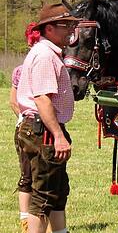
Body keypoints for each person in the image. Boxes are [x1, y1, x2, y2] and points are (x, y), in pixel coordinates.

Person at [15, 3, 80, 233]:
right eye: (66, 25)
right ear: (49, 28)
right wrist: (58, 135)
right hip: (44, 131)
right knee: (43, 197)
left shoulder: (47, 53)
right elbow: (42, 99)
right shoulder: (45, 56)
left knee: (57, 191)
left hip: (40, 129)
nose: (71, 31)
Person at [10, 22, 42, 233]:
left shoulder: (20, 69)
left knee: (27, 176)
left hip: (23, 124)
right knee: (35, 178)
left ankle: (27, 221)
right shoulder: (28, 68)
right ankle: (30, 222)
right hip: (35, 125)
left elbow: (14, 102)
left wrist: (22, 118)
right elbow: (13, 101)